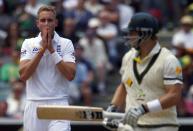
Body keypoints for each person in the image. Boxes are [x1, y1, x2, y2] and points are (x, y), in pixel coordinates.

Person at [104, 12, 183, 131]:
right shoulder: (128, 56)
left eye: (132, 32)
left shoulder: (168, 60)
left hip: (162, 126)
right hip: (132, 126)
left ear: (146, 33)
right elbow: (124, 85)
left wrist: (144, 109)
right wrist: (112, 108)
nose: (128, 36)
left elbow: (174, 95)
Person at [19, 5, 76, 131]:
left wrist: (51, 50)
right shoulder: (28, 43)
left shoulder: (66, 43)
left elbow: (70, 75)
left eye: (50, 20)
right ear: (37, 23)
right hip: (34, 103)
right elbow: (23, 75)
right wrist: (42, 49)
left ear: (56, 23)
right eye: (43, 20)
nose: (46, 23)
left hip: (59, 102)